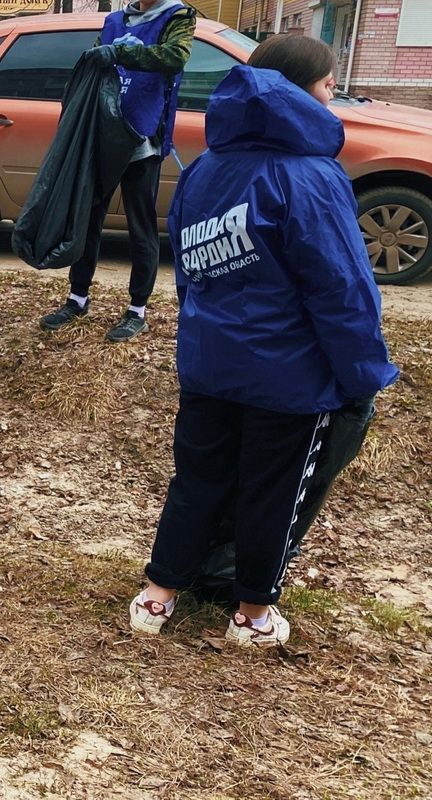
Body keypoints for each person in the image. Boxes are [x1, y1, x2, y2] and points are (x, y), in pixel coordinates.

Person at [128, 35, 399, 647]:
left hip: (210, 366)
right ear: (299, 92)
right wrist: (365, 374)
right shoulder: (312, 177)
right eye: (330, 85)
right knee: (273, 493)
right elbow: (342, 289)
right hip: (290, 378)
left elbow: (191, 274)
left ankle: (157, 597)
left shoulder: (205, 170)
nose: (334, 97)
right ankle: (251, 614)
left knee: (197, 479)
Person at [39, 0, 196, 342]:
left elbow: (175, 56)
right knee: (89, 218)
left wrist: (121, 55)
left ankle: (137, 309)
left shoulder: (178, 17)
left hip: (143, 138)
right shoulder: (114, 21)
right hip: (105, 136)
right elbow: (96, 59)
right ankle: (77, 298)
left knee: (141, 226)